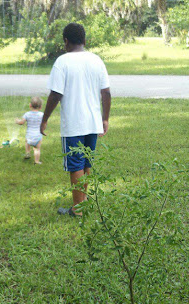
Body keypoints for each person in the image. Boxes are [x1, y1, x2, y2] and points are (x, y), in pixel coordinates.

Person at [40, 22, 111, 217]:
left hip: (73, 124)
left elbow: (55, 94)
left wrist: (44, 119)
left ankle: (77, 209)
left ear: (65, 41)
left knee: (75, 165)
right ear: (84, 40)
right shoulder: (97, 60)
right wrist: (105, 119)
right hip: (92, 122)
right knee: (86, 163)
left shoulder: (62, 62)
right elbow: (106, 93)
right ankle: (84, 199)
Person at [16, 97, 44, 165]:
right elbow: (44, 124)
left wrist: (17, 121)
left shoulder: (27, 114)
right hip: (38, 136)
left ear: (30, 105)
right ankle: (36, 161)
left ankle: (27, 153)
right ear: (40, 107)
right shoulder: (42, 115)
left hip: (29, 135)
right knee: (37, 149)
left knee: (27, 143)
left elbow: (21, 123)